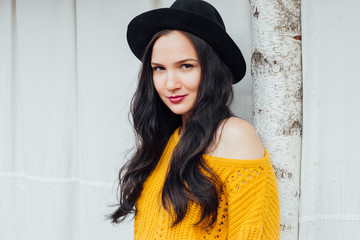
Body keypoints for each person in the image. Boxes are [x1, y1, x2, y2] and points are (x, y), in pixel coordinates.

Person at [110, 0, 280, 239]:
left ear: (212, 70)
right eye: (159, 68)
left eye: (186, 66)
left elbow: (251, 232)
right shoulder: (167, 140)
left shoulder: (234, 135)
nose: (170, 84)